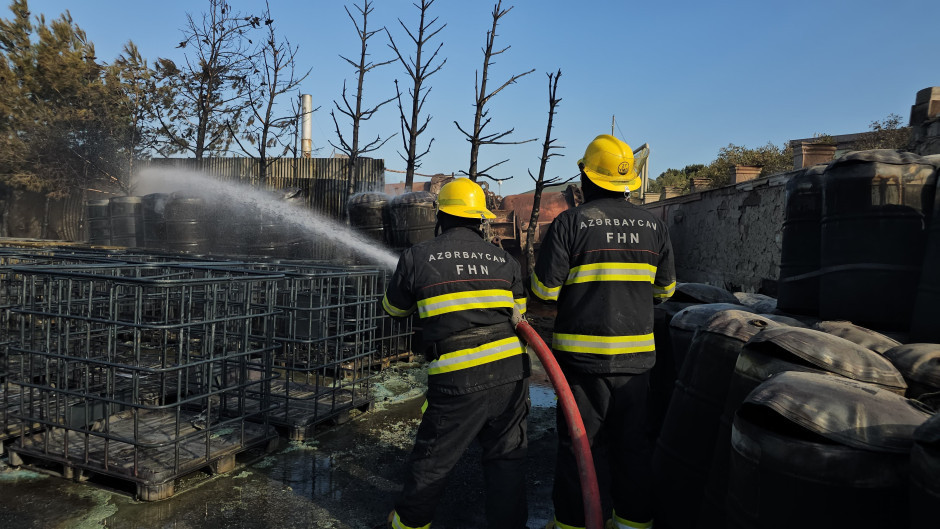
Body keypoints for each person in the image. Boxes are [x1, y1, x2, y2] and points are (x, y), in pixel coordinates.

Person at [531, 135, 676, 529]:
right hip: (637, 365)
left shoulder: (571, 223)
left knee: (581, 447)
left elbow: (544, 291)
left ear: (586, 177)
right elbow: (665, 291)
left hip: (582, 365)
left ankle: (574, 523)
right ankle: (632, 523)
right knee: (633, 447)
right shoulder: (654, 226)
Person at [382, 177, 531, 529]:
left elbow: (394, 310)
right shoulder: (503, 260)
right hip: (511, 372)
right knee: (506, 460)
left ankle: (410, 524)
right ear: (480, 219)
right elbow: (519, 315)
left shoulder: (417, 257)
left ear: (440, 215)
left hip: (457, 375)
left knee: (434, 458)